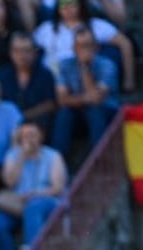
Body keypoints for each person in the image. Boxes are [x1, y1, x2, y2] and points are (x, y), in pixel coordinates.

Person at [0, 121, 67, 250]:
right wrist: (21, 157)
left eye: (32, 135)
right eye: (24, 136)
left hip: (46, 201)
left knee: (34, 206)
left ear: (41, 136)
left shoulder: (53, 156)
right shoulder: (12, 155)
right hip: (18, 205)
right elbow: (10, 183)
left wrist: (35, 194)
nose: (28, 139)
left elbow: (57, 188)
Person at [51, 26, 120, 157]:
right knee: (64, 113)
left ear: (96, 47)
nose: (84, 50)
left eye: (88, 45)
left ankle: (99, 158)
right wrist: (84, 99)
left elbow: (96, 100)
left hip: (105, 113)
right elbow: (62, 100)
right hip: (78, 113)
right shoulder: (65, 65)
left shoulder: (107, 65)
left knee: (95, 111)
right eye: (80, 46)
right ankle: (58, 159)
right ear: (74, 48)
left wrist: (84, 68)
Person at [0, 31, 58, 141]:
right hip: (9, 124)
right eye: (17, 51)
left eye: (26, 51)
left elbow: (50, 104)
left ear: (34, 53)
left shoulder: (45, 74)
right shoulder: (3, 75)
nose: (22, 55)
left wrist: (23, 116)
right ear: (11, 53)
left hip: (38, 124)